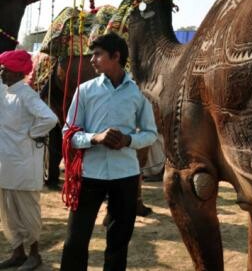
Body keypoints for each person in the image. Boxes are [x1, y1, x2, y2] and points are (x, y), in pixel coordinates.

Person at [59, 33, 157, 271]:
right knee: (75, 241)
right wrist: (95, 138)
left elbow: (151, 133)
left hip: (126, 176)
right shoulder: (85, 90)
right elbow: (68, 133)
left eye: (98, 54)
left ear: (116, 56)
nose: (92, 60)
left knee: (118, 243)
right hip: (89, 174)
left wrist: (128, 140)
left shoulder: (137, 94)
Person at [0, 50, 58, 271]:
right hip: (5, 163)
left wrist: (33, 133)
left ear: (16, 72)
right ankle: (18, 253)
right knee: (7, 210)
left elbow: (50, 118)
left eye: (5, 69)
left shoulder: (26, 94)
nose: (1, 72)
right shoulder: (4, 92)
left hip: (24, 164)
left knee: (27, 211)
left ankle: (34, 254)